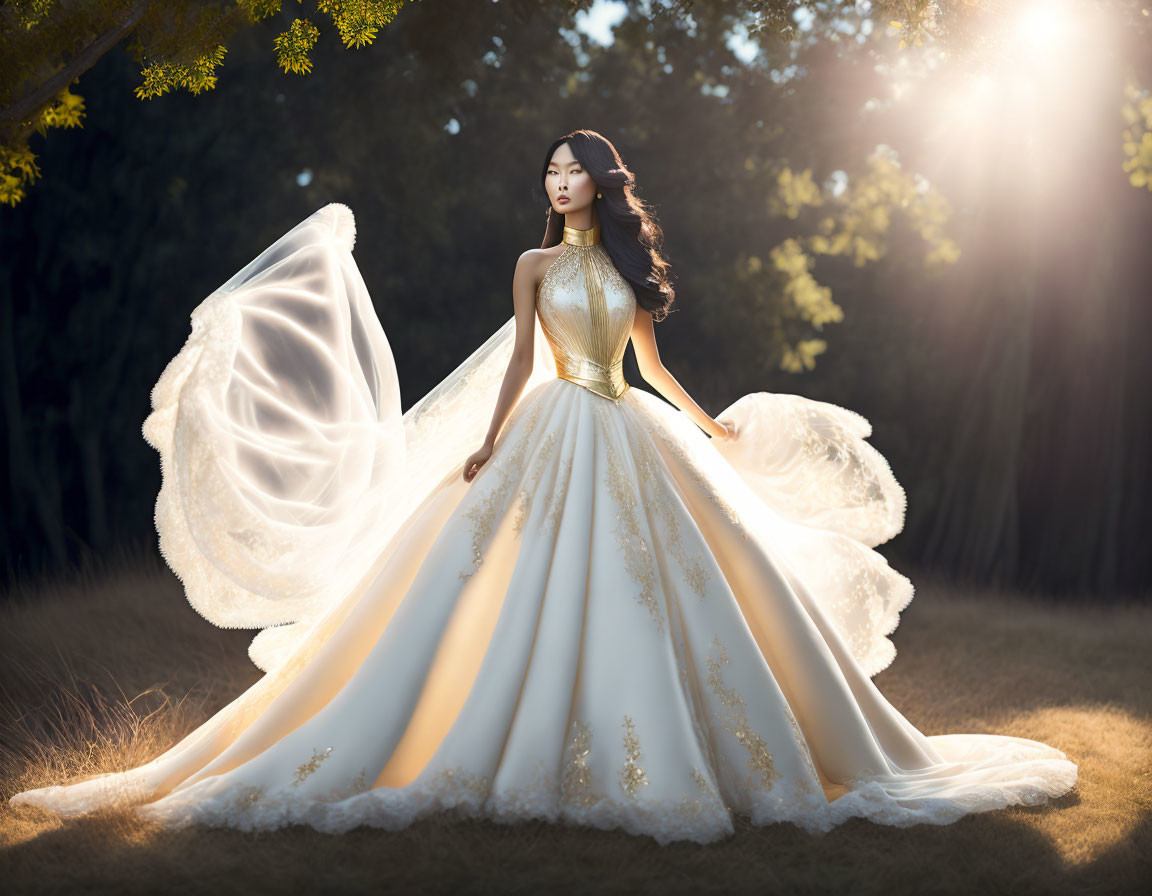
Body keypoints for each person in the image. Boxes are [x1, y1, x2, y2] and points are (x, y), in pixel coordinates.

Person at [9, 129, 1076, 845]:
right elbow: (522, 361)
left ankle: (686, 745)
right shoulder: (532, 265)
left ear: (601, 183)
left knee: (678, 592)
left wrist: (706, 425)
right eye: (551, 171)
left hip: (634, 431)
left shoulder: (623, 269)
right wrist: (483, 444)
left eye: (572, 170)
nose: (557, 182)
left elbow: (648, 368)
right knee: (488, 585)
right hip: (548, 423)